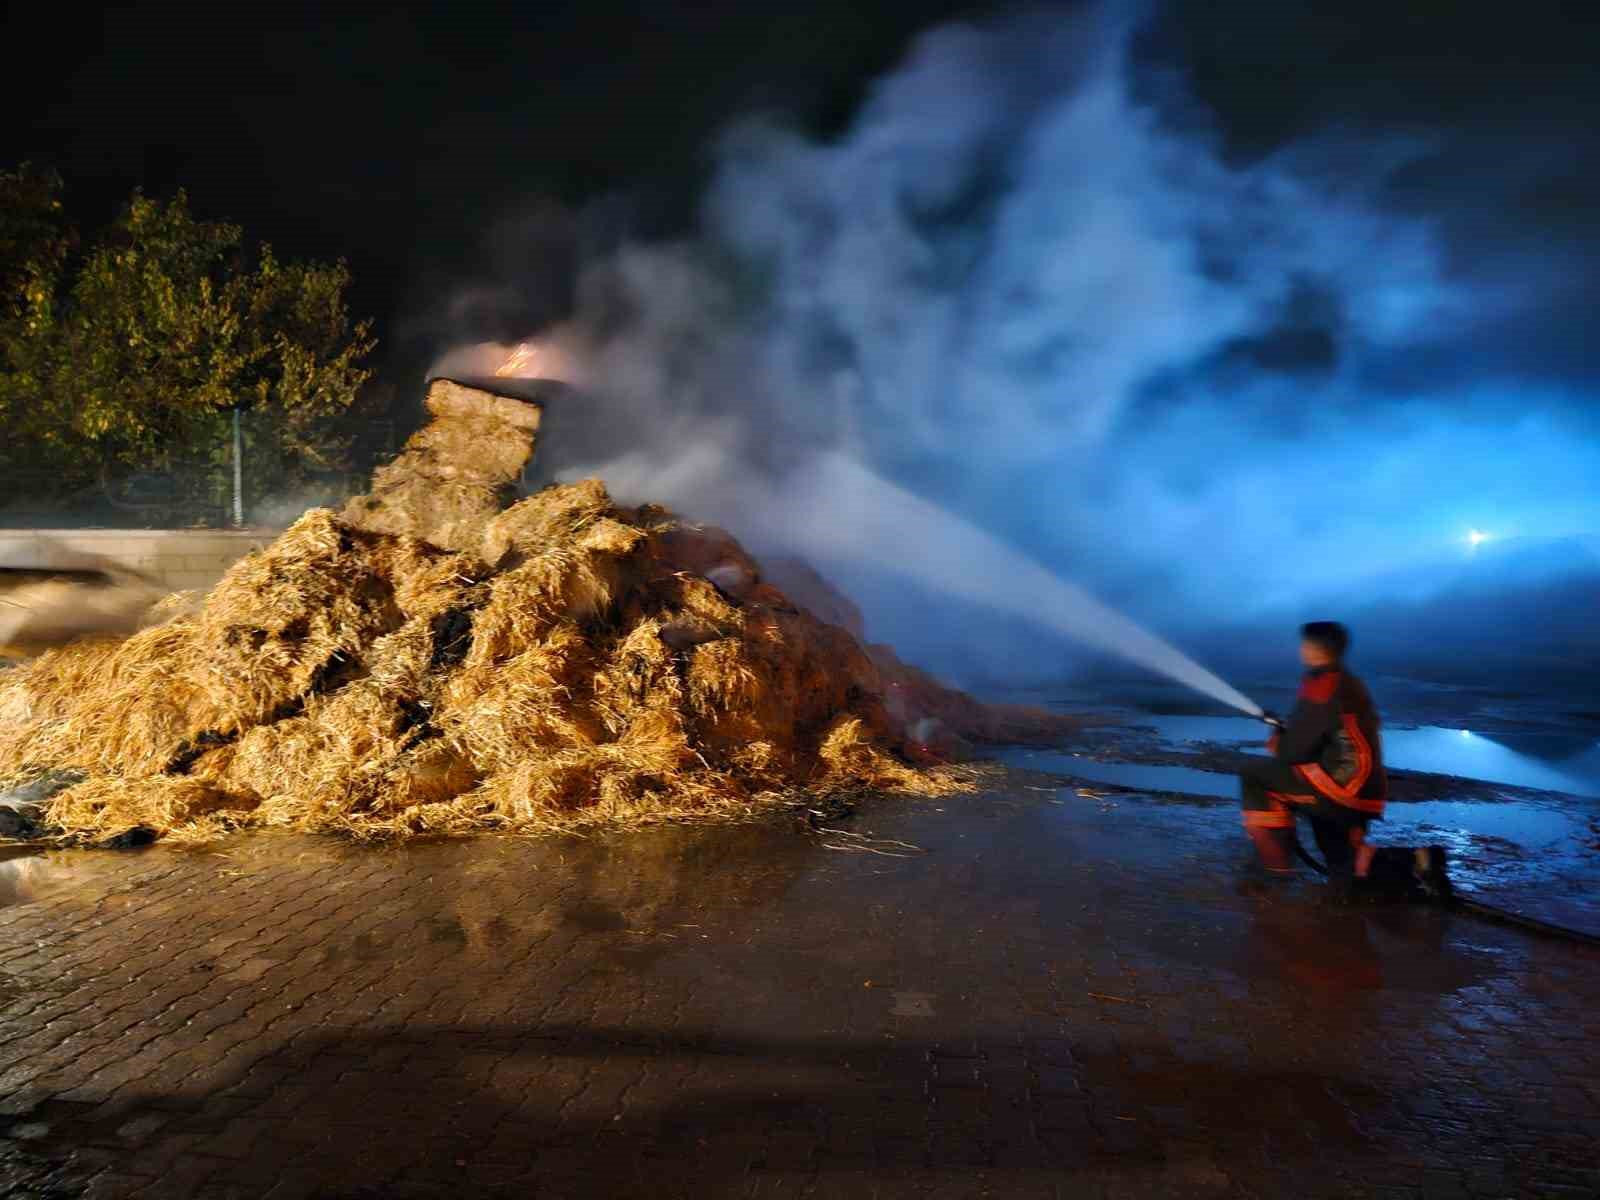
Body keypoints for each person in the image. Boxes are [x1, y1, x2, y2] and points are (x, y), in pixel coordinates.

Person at [1238, 621, 1450, 898]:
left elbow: (1295, 753)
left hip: (1339, 787)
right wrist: (1289, 731)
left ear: (1314, 649)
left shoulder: (1322, 684)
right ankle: (1419, 860)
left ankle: (1273, 869)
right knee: (1344, 875)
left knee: (1253, 775)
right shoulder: (1347, 682)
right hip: (1364, 788)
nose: (1301, 649)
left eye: (1304, 644)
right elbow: (1327, 734)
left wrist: (1279, 735)